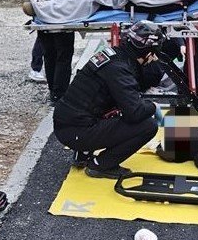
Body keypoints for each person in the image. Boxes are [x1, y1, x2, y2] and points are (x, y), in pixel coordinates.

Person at [53, 22, 167, 178]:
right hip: (76, 130)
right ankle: (101, 165)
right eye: (153, 55)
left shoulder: (112, 55)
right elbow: (135, 113)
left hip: (68, 122)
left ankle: (83, 153)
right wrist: (152, 107)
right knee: (148, 126)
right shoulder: (120, 69)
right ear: (148, 53)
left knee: (115, 106)